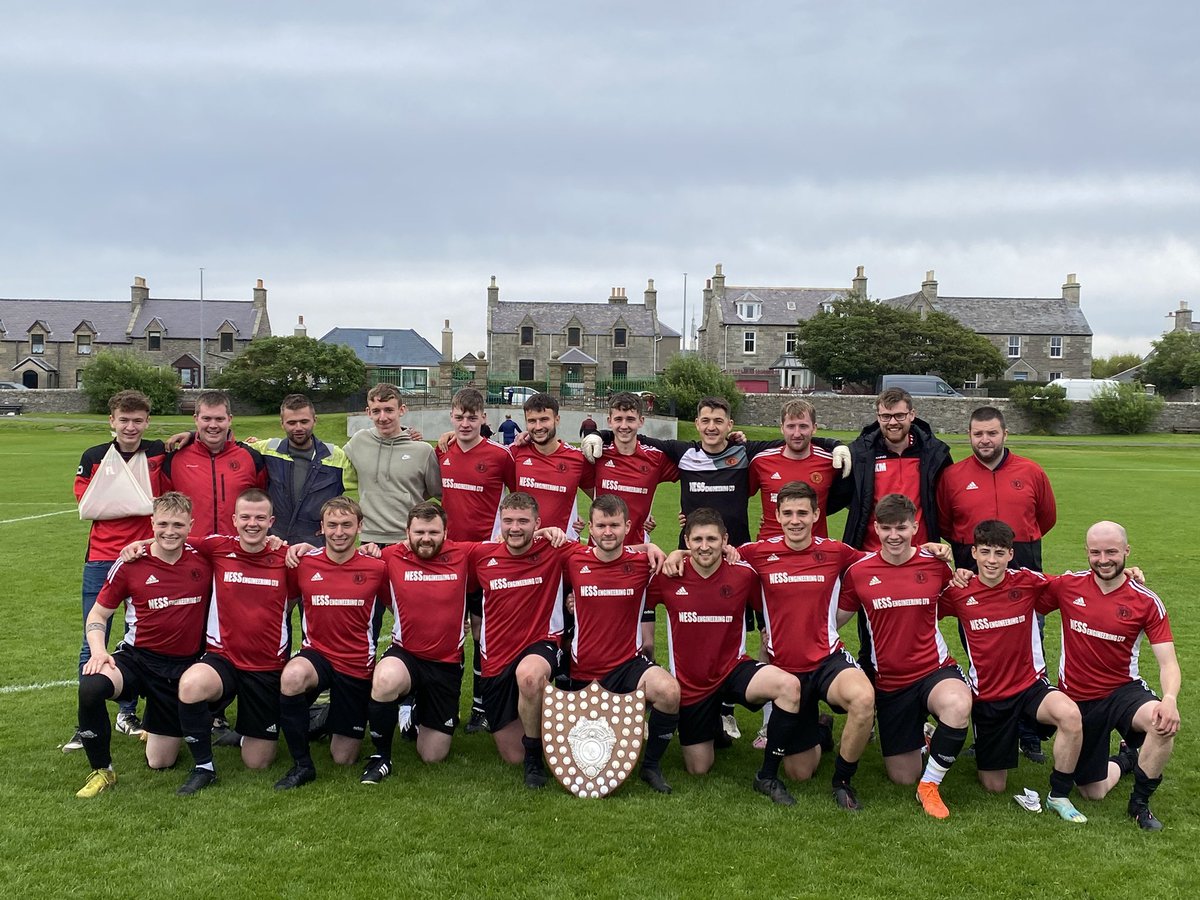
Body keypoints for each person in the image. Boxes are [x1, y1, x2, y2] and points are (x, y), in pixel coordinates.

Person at [649, 508, 806, 806]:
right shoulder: (669, 576)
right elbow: (629, 596)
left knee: (789, 687)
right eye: (697, 539)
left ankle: (767, 776)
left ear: (725, 540)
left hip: (733, 670)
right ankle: (714, 728)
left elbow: (779, 598)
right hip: (691, 683)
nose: (704, 546)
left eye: (712, 539)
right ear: (686, 540)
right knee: (698, 768)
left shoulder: (744, 574)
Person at [736, 482, 877, 811]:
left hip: (827, 661)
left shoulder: (835, 551)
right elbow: (712, 554)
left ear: (816, 514)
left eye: (803, 512)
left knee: (864, 698)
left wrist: (929, 550)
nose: (795, 520)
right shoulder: (756, 552)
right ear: (777, 515)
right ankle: (822, 729)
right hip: (786, 670)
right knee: (800, 773)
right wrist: (677, 553)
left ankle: (842, 781)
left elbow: (879, 561)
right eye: (788, 513)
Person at [938, 519, 1087, 823]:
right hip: (989, 698)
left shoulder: (1027, 582)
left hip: (1030, 687)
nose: (992, 560)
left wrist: (1124, 574)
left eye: (999, 553)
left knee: (1070, 716)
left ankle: (1058, 795)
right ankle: (955, 738)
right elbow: (923, 612)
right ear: (974, 553)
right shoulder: (958, 592)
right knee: (994, 786)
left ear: (1010, 554)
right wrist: (949, 575)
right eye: (985, 552)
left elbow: (1075, 583)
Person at [835, 493, 972, 819]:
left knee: (957, 704)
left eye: (901, 528)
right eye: (886, 529)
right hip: (890, 683)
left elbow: (959, 596)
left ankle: (930, 785)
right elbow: (835, 620)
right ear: (876, 529)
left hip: (933, 670)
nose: (894, 535)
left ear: (914, 527)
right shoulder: (860, 571)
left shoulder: (935, 564)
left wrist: (960, 572)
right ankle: (924, 736)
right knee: (901, 775)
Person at [1037, 521, 1180, 830]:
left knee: (1161, 722)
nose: (1104, 559)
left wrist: (1169, 699)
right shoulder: (1067, 585)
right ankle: (1127, 758)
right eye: (1095, 552)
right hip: (1079, 700)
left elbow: (1168, 662)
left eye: (1112, 552)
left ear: (1127, 551)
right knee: (1093, 792)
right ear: (1087, 553)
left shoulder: (1146, 601)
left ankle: (1140, 804)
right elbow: (1018, 589)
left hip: (1123, 691)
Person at [937, 405, 1058, 763]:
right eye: (978, 434)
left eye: (992, 433)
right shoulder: (953, 476)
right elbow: (946, 522)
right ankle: (986, 730)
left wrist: (1011, 554)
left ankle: (1030, 732)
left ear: (1005, 434)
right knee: (983, 656)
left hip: (1022, 574)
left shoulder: (1031, 472)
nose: (985, 440)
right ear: (969, 436)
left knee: (1029, 651)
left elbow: (1046, 518)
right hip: (973, 580)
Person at [74, 493, 210, 797]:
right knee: (92, 686)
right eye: (162, 524)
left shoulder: (204, 559)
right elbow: (98, 614)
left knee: (160, 762)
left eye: (178, 524)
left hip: (181, 669)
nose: (170, 531)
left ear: (191, 525)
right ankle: (102, 770)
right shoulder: (130, 564)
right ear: (152, 523)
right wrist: (99, 651)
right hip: (137, 659)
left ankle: (157, 722)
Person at [171, 489, 297, 795]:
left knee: (258, 763)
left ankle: (248, 731)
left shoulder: (287, 558)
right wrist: (138, 546)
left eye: (259, 518)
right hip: (223, 658)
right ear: (234, 520)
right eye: (245, 517)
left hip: (266, 666)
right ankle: (204, 767)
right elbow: (172, 539)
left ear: (271, 521)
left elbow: (305, 587)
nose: (251, 524)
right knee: (190, 684)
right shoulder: (217, 547)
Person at [67, 389, 167, 750]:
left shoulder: (157, 452)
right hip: (102, 557)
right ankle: (87, 721)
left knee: (136, 637)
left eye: (137, 420)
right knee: (92, 638)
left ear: (147, 422)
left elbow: (165, 502)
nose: (130, 426)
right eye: (123, 420)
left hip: (142, 555)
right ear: (112, 421)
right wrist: (141, 503)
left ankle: (127, 713)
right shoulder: (94, 456)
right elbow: (88, 505)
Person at [832, 388, 951, 679]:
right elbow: (832, 499)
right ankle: (871, 705)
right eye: (886, 416)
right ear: (878, 417)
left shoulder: (935, 452)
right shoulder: (860, 453)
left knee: (917, 637)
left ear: (912, 414)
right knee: (871, 637)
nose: (893, 422)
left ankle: (919, 709)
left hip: (919, 558)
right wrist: (831, 447)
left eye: (899, 415)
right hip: (872, 558)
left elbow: (947, 503)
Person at [562, 494, 677, 793]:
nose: (607, 532)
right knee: (591, 762)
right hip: (583, 669)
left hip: (628, 665)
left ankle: (651, 767)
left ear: (628, 526)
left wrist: (676, 551)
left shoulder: (644, 563)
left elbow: (696, 559)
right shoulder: (573, 558)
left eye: (614, 525)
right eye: (601, 525)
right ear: (590, 527)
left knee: (668, 691)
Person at [464, 492, 576, 787]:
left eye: (524, 521)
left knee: (529, 678)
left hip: (540, 645)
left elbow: (604, 551)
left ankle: (534, 758)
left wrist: (652, 547)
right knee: (510, 754)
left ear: (537, 523)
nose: (515, 527)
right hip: (495, 660)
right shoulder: (481, 555)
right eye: (509, 521)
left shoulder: (554, 550)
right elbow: (440, 554)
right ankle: (549, 729)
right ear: (500, 521)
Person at [274, 498, 387, 790]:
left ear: (360, 527)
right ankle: (302, 765)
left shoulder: (377, 567)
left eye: (347, 525)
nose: (339, 532)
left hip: (356, 663)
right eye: (332, 525)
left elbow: (405, 604)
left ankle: (323, 718)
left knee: (344, 758)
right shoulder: (302, 562)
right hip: (317, 655)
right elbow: (282, 606)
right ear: (321, 528)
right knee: (292, 676)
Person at [361, 503, 476, 782]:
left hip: (446, 663)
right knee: (386, 679)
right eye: (420, 532)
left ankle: (414, 710)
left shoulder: (464, 554)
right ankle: (381, 757)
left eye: (434, 532)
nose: (426, 538)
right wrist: (298, 548)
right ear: (407, 532)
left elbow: (508, 543)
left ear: (446, 532)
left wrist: (548, 532)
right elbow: (345, 563)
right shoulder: (389, 557)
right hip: (407, 654)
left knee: (432, 756)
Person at [435, 387, 516, 735]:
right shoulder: (441, 451)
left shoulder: (500, 456)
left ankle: (481, 706)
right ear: (451, 417)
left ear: (484, 418)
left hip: (485, 558)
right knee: (448, 634)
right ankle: (443, 704)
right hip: (449, 559)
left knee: (485, 634)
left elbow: (523, 497)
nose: (465, 422)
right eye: (459, 416)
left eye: (472, 417)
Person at [343, 382, 441, 639]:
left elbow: (434, 491)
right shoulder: (358, 442)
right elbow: (328, 460)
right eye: (376, 411)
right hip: (369, 543)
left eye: (389, 409)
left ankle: (414, 673)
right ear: (368, 412)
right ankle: (364, 676)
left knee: (413, 617)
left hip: (408, 544)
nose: (383, 417)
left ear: (402, 410)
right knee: (367, 620)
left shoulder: (422, 450)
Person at [590, 391, 678, 659]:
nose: (624, 425)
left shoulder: (655, 459)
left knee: (646, 645)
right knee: (598, 638)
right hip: (599, 558)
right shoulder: (595, 455)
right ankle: (596, 693)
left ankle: (643, 698)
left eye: (630, 418)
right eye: (618, 419)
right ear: (609, 420)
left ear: (641, 421)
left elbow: (696, 468)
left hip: (640, 555)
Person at [160, 390, 267, 543]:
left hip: (237, 551)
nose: (213, 425)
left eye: (219, 419)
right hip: (190, 550)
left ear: (229, 419)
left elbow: (263, 504)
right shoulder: (175, 459)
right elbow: (163, 508)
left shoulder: (251, 458)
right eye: (206, 418)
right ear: (196, 419)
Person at [254, 393, 356, 547]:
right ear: (282, 424)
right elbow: (230, 450)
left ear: (315, 420)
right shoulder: (266, 450)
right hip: (274, 545)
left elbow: (371, 481)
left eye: (304, 421)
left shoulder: (337, 457)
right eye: (291, 423)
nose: (298, 428)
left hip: (316, 547)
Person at [749, 399, 841, 543]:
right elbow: (738, 497)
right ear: (782, 428)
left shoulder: (830, 462)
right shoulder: (761, 461)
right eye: (791, 426)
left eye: (803, 426)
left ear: (814, 428)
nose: (797, 433)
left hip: (814, 550)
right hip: (769, 550)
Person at [508, 393, 595, 539]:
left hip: (563, 549)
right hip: (523, 547)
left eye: (544, 420)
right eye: (532, 421)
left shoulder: (578, 458)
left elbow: (603, 498)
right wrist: (455, 434)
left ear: (557, 419)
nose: (538, 427)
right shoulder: (514, 453)